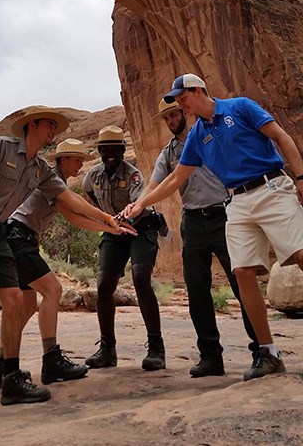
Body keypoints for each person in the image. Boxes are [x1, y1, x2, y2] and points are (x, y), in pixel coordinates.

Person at [0, 106, 123, 419]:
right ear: (31, 126)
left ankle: (9, 379)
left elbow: (70, 202)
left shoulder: (40, 169)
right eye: (48, 125)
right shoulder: (2, 146)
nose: (53, 131)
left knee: (16, 299)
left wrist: (106, 219)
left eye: (54, 128)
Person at [125, 74, 303, 381]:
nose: (179, 103)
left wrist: (300, 177)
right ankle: (268, 353)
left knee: (301, 254)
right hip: (237, 200)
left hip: (270, 186)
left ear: (198, 91)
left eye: (182, 98)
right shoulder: (196, 137)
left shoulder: (241, 107)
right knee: (243, 271)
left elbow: (281, 136)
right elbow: (174, 179)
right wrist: (141, 205)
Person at [0, 138, 135, 388]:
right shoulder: (51, 180)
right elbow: (77, 209)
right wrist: (109, 219)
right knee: (53, 290)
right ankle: (51, 359)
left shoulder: (56, 183)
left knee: (28, 303)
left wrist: (112, 229)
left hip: (19, 238)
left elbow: (73, 218)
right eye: (76, 159)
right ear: (63, 159)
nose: (80, 164)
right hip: (18, 237)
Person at [141, 97, 258, 377]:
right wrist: (138, 205)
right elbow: (155, 183)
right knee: (196, 289)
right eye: (165, 119)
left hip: (224, 215)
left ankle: (261, 350)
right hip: (192, 221)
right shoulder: (168, 153)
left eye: (173, 115)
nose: (170, 122)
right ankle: (210, 357)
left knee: (241, 282)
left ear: (184, 111)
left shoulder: (208, 136)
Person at [82, 125, 165, 371]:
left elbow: (138, 203)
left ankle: (156, 348)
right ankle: (107, 349)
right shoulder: (92, 176)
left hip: (140, 227)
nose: (109, 153)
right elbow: (90, 196)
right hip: (114, 229)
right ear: (99, 151)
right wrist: (109, 219)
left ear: (121, 150)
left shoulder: (133, 175)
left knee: (140, 278)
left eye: (114, 149)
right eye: (104, 149)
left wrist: (118, 219)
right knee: (104, 285)